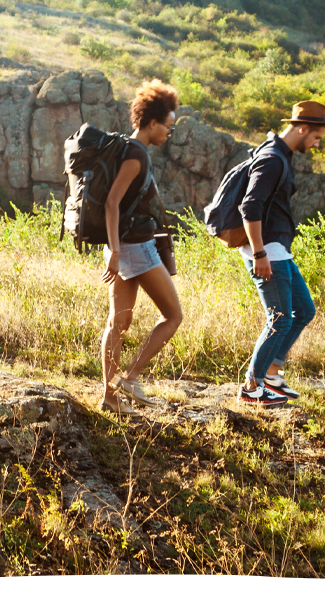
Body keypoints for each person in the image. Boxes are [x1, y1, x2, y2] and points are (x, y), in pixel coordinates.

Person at [96, 81, 184, 415]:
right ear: (151, 123)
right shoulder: (135, 154)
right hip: (134, 248)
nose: (168, 134)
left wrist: (114, 250)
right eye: (168, 128)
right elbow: (111, 203)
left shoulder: (126, 148)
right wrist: (117, 253)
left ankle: (109, 397)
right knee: (173, 315)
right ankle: (130, 378)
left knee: (117, 323)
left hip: (122, 246)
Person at [235, 100, 325, 407]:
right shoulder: (273, 158)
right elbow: (250, 206)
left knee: (303, 311)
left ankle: (272, 376)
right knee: (280, 319)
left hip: (278, 249)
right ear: (302, 128)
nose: (317, 144)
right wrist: (259, 253)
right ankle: (252, 386)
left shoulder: (281, 155)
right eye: (316, 137)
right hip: (267, 250)